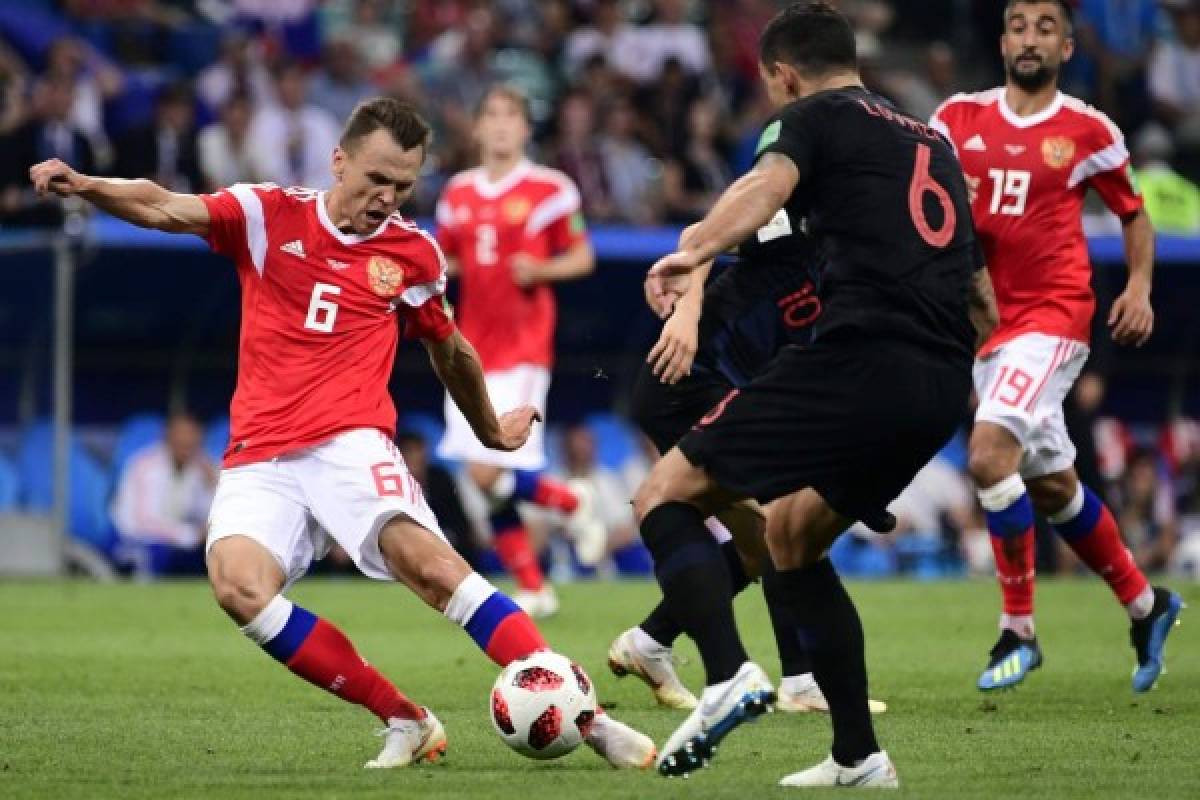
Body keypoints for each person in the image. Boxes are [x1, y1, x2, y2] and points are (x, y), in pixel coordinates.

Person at [28, 97, 653, 771]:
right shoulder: (270, 213)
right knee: (238, 586)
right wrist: (89, 187)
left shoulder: (413, 254)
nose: (387, 198)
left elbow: (450, 349)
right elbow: (163, 205)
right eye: (376, 179)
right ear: (340, 160)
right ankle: (406, 719)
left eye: (403, 186)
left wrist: (492, 431)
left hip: (350, 441)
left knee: (433, 568)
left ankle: (585, 719)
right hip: (259, 452)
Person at [633, 3, 990, 786]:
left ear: (783, 75)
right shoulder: (931, 139)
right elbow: (982, 300)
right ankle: (859, 756)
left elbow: (765, 188)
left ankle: (727, 676)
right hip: (941, 382)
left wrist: (690, 252)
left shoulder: (815, 117)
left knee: (663, 493)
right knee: (792, 537)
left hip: (863, 355)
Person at [930, 0, 1183, 694]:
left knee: (987, 455)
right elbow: (923, 203)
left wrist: (1139, 288)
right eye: (1019, 25)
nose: (1030, 38)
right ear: (1004, 38)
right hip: (989, 329)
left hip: (1053, 319)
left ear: (1067, 48)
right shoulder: (955, 120)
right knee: (1049, 484)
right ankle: (1146, 603)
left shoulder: (1087, 129)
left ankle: (1019, 630)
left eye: (1046, 28)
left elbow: (1134, 215)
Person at [608, 200, 887, 717]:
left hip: (720, 389)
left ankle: (651, 641)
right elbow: (699, 232)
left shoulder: (863, 273)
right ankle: (799, 679)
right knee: (777, 524)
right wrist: (687, 315)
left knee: (762, 541)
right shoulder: (804, 220)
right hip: (685, 380)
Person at [434, 84, 604, 618]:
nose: (502, 125)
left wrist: (541, 269)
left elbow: (582, 258)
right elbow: (447, 258)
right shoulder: (456, 193)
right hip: (469, 349)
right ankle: (534, 585)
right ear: (478, 127)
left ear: (526, 128)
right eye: (492, 114)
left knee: (490, 469)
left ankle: (575, 503)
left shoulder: (551, 189)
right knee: (479, 474)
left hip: (525, 348)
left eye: (512, 115)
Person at [110, 412, 216, 578]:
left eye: (192, 441)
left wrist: (212, 485)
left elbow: (206, 515)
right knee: (159, 555)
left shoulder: (200, 467)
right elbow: (144, 521)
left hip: (177, 541)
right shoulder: (145, 466)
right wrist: (190, 534)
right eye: (182, 439)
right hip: (131, 538)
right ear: (168, 438)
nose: (187, 445)